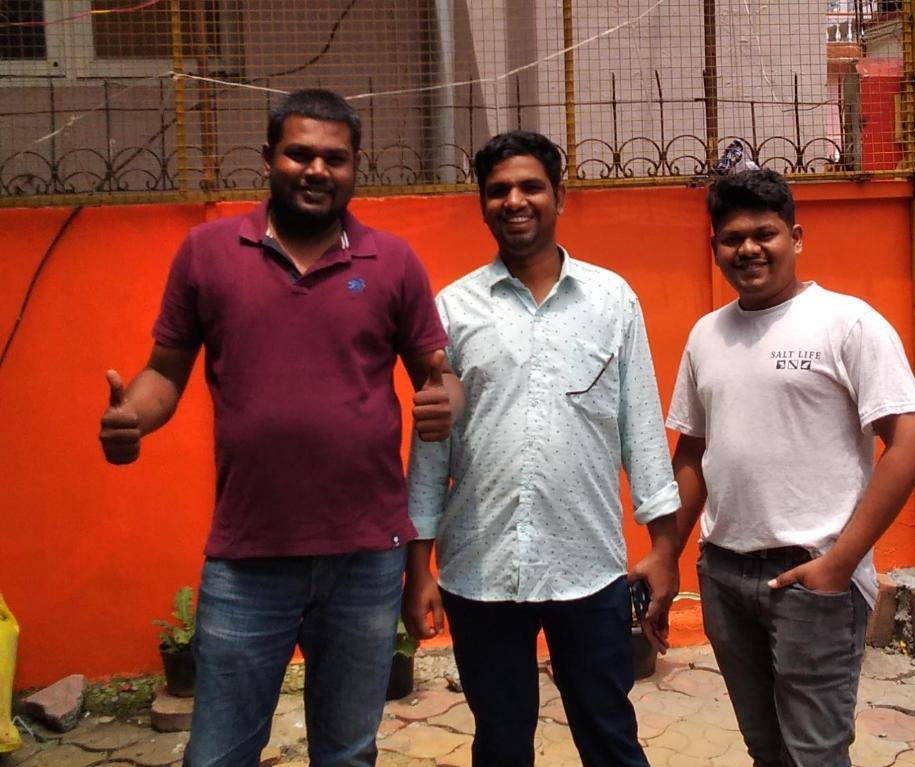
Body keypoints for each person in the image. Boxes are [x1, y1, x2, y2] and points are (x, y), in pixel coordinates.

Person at [98, 88, 460, 767]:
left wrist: (446, 404)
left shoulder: (393, 262)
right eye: (299, 154)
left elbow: (439, 379)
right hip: (248, 556)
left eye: (335, 158)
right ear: (268, 158)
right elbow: (164, 374)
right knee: (218, 754)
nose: (316, 170)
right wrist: (132, 419)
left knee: (347, 752)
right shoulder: (208, 252)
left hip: (365, 555)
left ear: (356, 167)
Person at [403, 130, 682, 767]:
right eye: (498, 190)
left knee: (610, 737)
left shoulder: (612, 301)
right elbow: (431, 451)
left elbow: (642, 433)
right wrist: (419, 569)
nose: (515, 201)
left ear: (560, 196)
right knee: (501, 744)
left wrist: (664, 551)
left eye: (531, 187)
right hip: (480, 569)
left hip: (588, 566)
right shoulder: (453, 309)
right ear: (482, 204)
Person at [667, 169, 915, 767]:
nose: (748, 249)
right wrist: (667, 556)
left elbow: (911, 443)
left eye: (765, 234)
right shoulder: (707, 334)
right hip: (724, 574)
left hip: (811, 577)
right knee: (765, 748)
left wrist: (839, 564)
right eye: (732, 238)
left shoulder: (847, 322)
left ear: (796, 236)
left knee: (815, 754)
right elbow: (692, 453)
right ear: (715, 247)